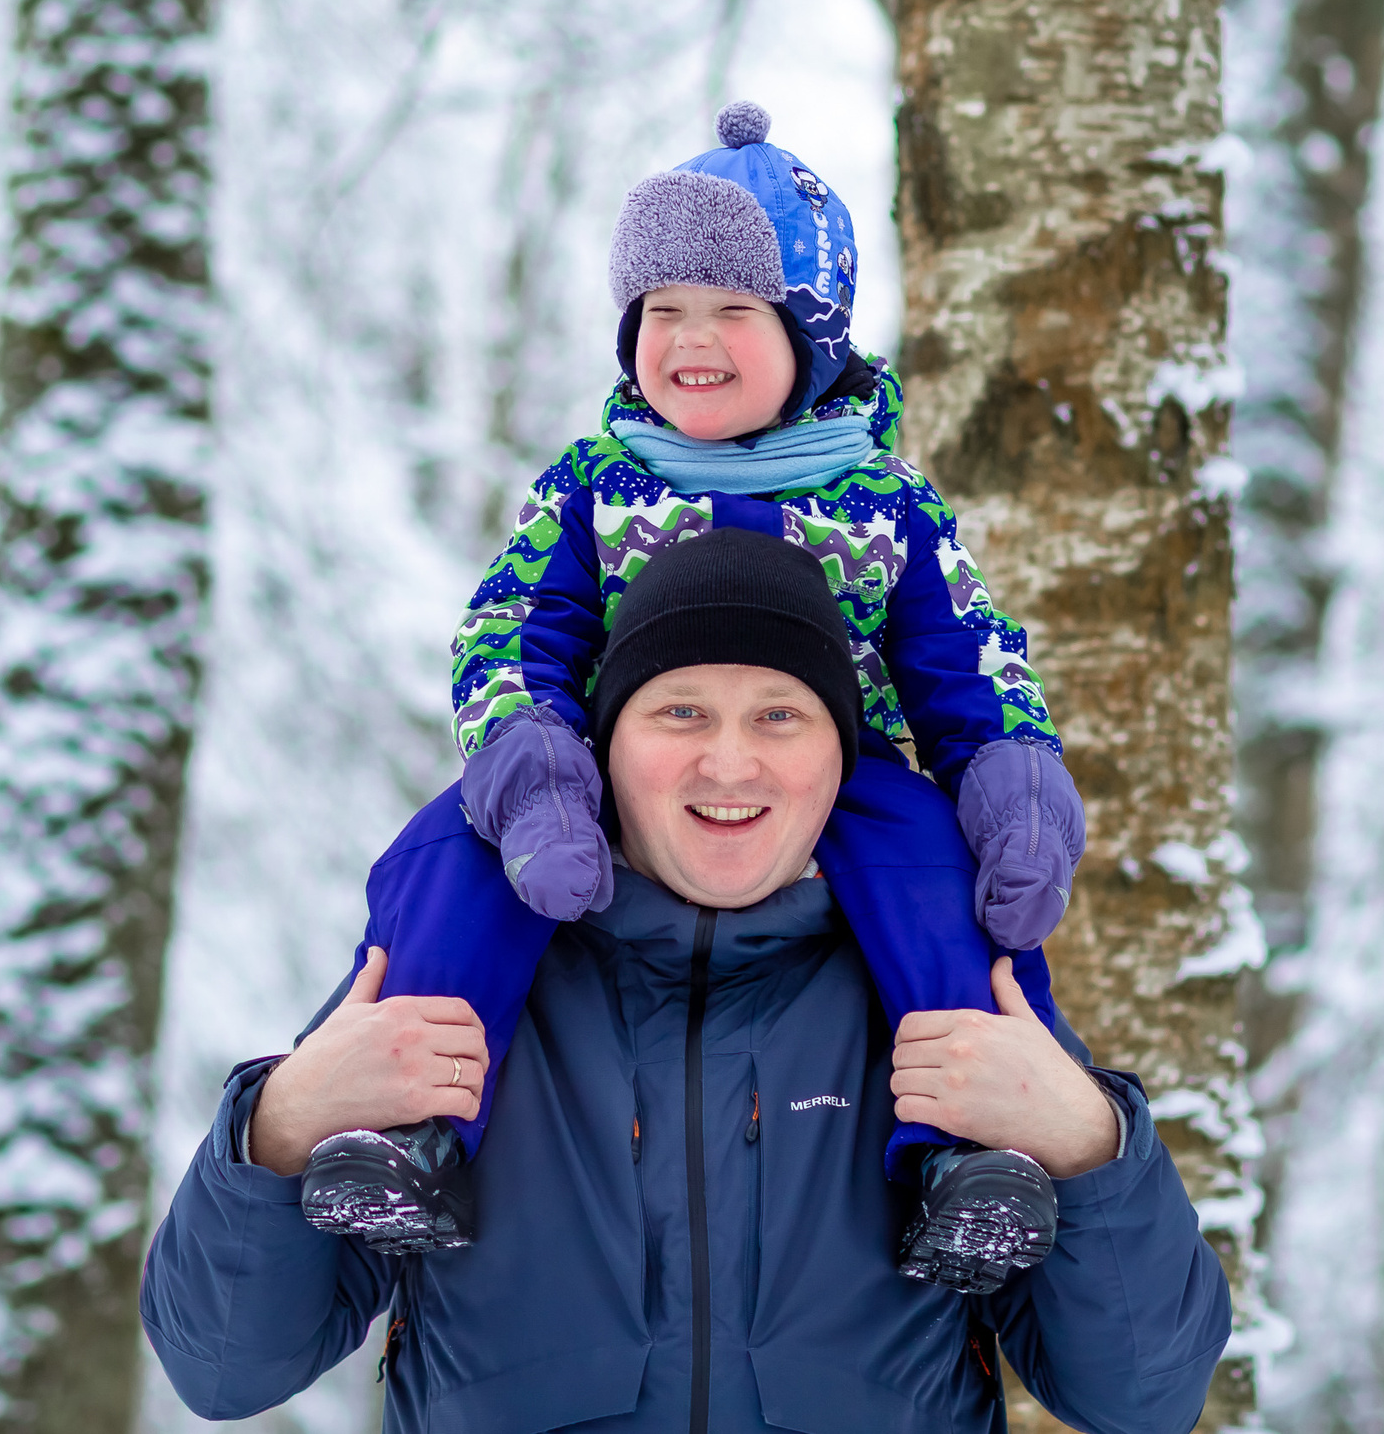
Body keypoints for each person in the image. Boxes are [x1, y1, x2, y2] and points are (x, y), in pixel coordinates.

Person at [140, 532, 1232, 1432]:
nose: (728, 764)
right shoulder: (465, 980)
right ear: (606, 748)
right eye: (679, 713)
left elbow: (1142, 1394)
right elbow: (224, 1369)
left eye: (779, 716)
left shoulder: (936, 986)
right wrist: (277, 1127)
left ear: (838, 759)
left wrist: (1090, 1147)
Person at [321, 102, 1086, 1290]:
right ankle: (411, 1131)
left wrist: (1013, 784)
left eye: (735, 311)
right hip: (606, 785)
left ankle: (966, 1155)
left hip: (840, 782)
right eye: (661, 312)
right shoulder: (591, 486)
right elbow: (513, 630)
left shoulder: (885, 505)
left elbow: (966, 658)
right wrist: (534, 776)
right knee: (445, 858)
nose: (692, 337)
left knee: (935, 873)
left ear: (811, 336)